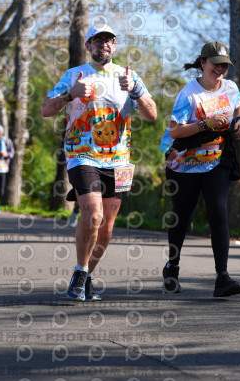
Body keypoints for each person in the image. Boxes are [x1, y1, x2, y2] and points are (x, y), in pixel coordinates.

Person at [41, 23, 157, 301]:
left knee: (106, 228)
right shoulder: (73, 75)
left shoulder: (129, 77)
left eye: (108, 40)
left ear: (114, 46)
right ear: (88, 45)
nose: (103, 44)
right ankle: (81, 272)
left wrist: (136, 91)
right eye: (97, 40)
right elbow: (46, 109)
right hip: (82, 155)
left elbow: (152, 115)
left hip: (119, 161)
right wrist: (71, 94)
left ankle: (86, 276)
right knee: (93, 215)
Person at [162, 41, 240, 298]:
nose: (220, 69)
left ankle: (222, 277)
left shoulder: (231, 88)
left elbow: (238, 104)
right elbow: (175, 131)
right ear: (203, 63)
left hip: (216, 162)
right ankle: (172, 268)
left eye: (224, 65)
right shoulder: (189, 94)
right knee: (182, 219)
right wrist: (205, 124)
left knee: (218, 214)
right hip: (184, 165)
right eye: (215, 64)